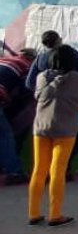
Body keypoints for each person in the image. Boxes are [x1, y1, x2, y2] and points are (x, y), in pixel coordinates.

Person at [28, 47, 78, 225]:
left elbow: (37, 95)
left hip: (41, 128)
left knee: (39, 170)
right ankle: (55, 214)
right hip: (65, 129)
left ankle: (33, 213)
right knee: (57, 171)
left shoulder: (41, 77)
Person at [0, 46, 34, 184]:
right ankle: (14, 172)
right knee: (5, 136)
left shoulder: (3, 60)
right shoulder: (27, 66)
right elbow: (26, 89)